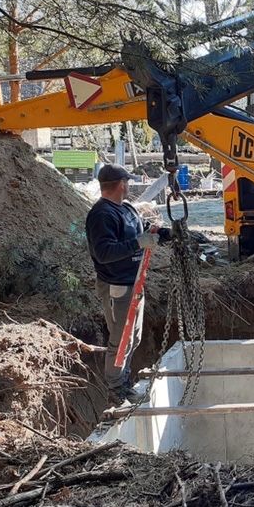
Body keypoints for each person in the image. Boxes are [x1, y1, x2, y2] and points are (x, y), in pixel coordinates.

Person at [85, 164, 170, 404]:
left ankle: (125, 383)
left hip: (134, 283)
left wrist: (163, 234)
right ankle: (116, 390)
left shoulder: (126, 209)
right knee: (120, 340)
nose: (130, 186)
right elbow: (104, 252)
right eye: (128, 182)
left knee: (133, 338)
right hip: (117, 286)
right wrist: (137, 244)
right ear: (121, 183)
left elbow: (141, 231)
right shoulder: (102, 215)